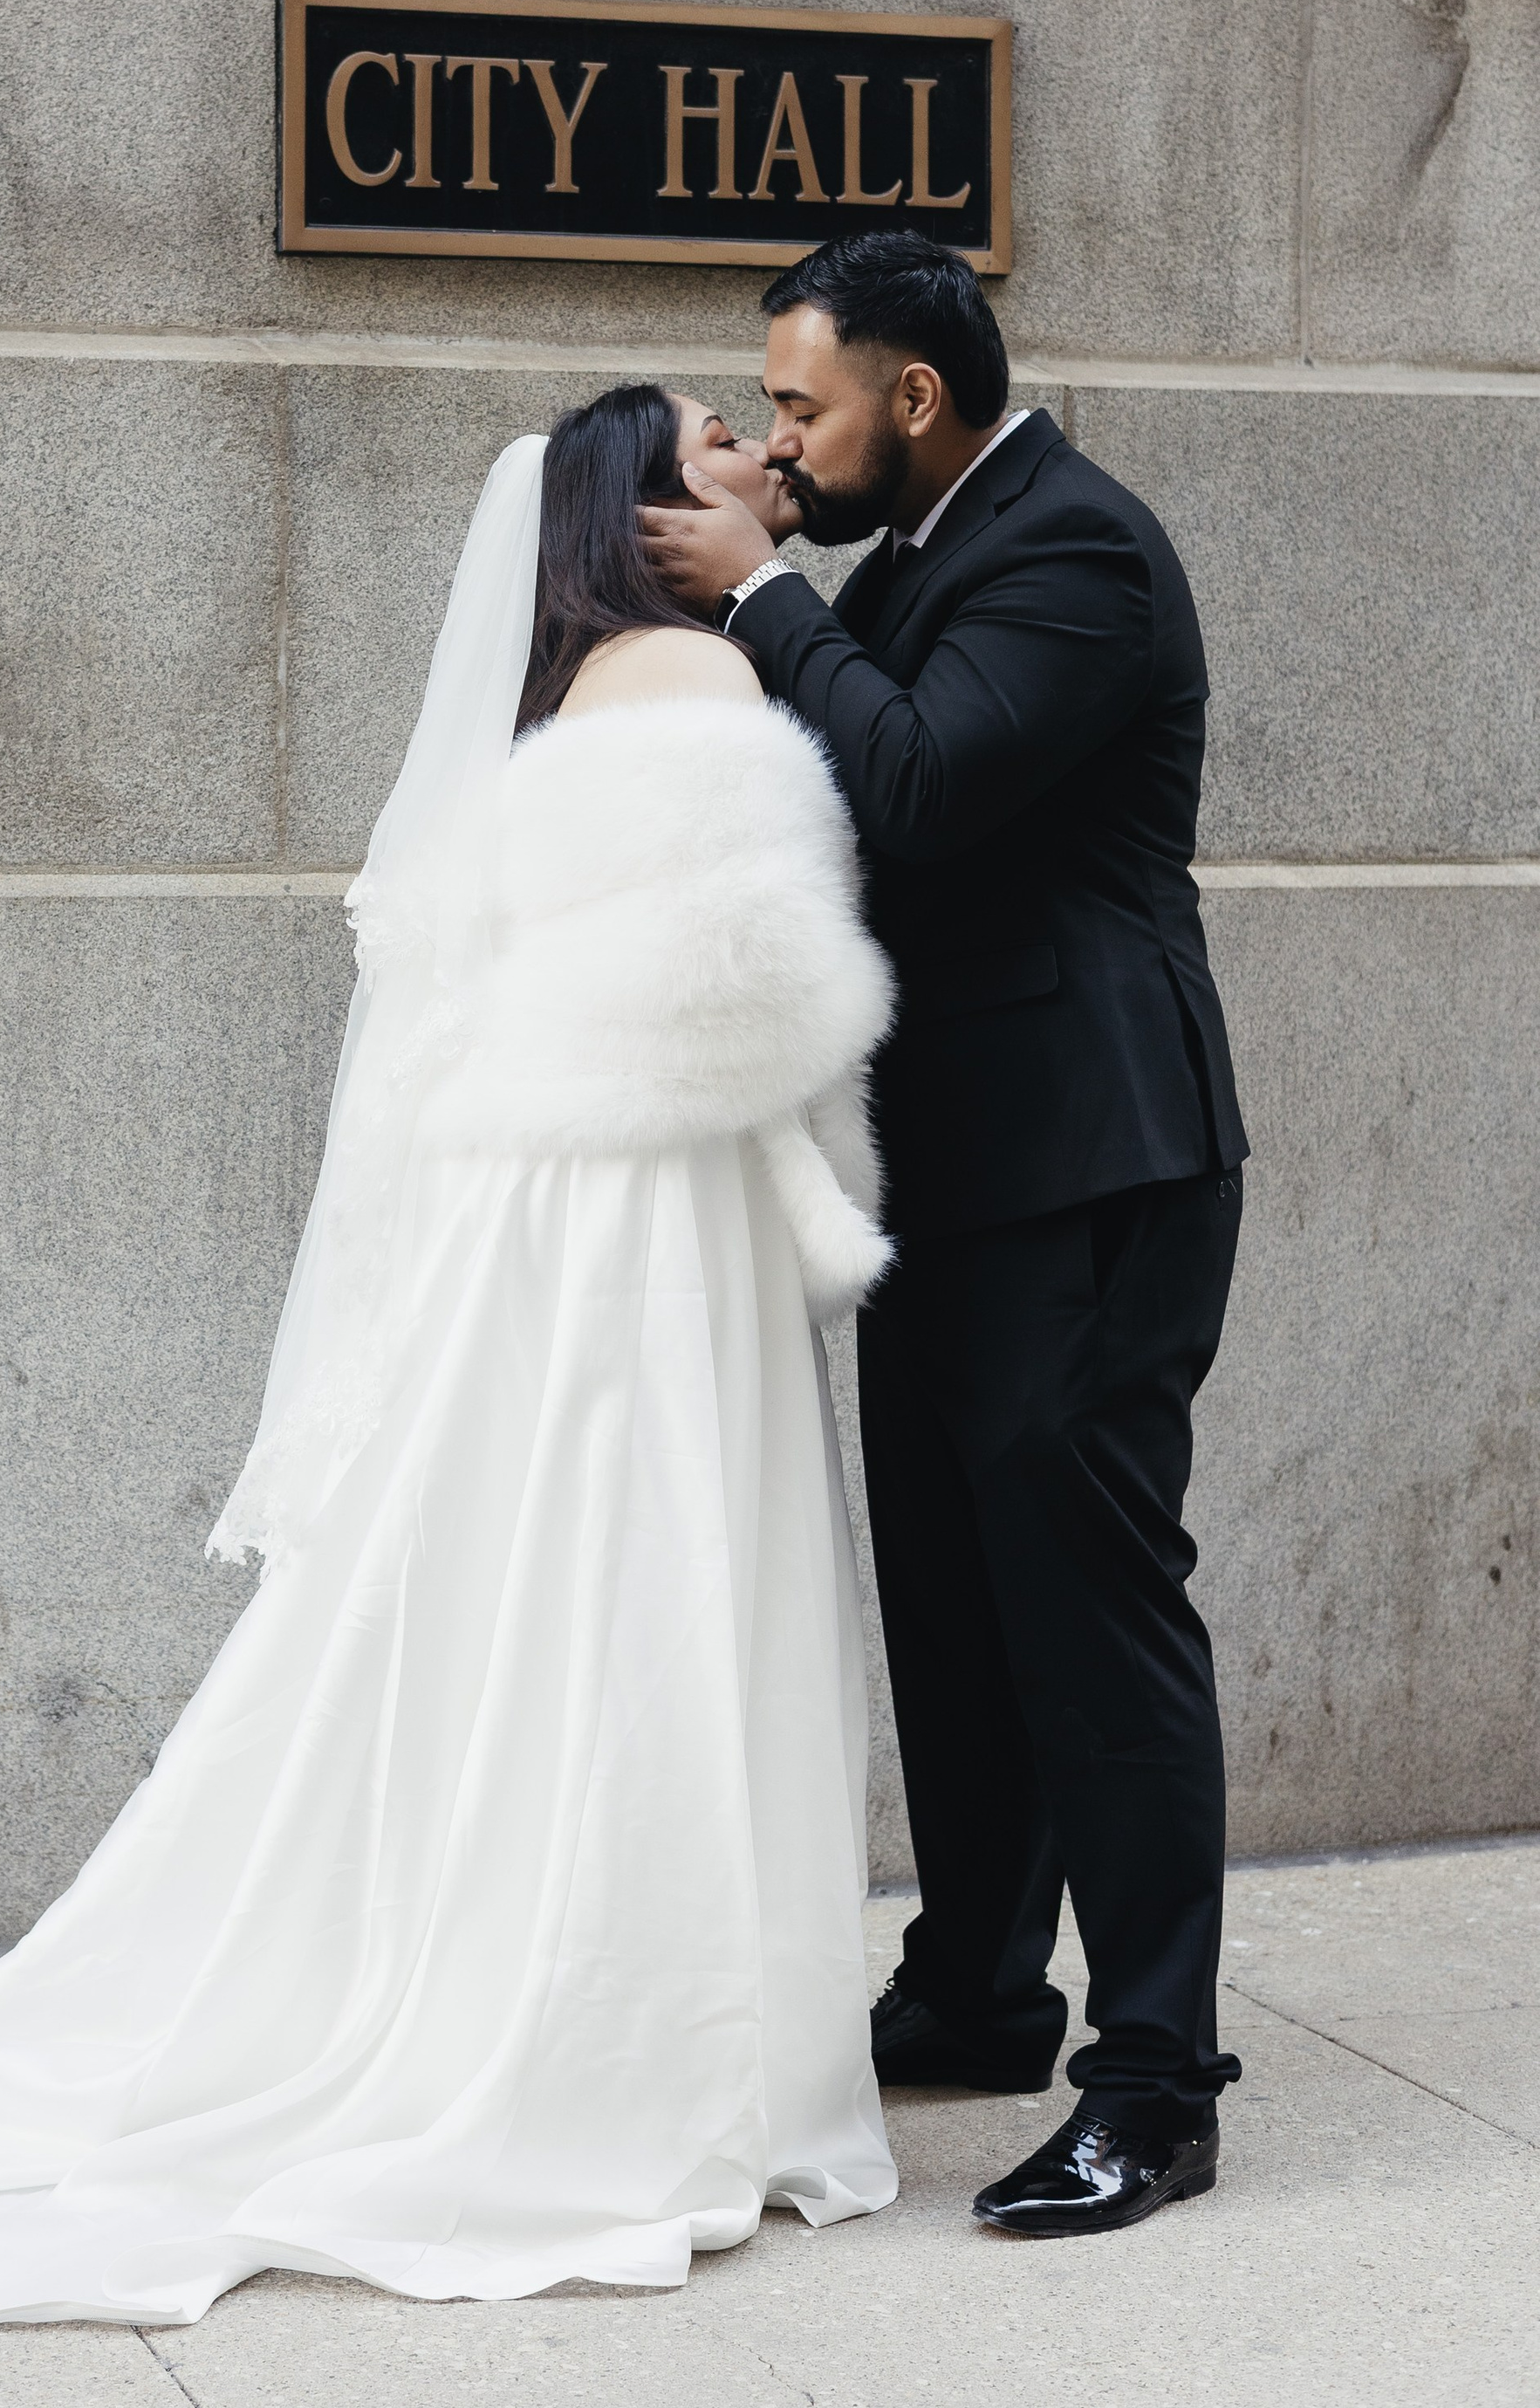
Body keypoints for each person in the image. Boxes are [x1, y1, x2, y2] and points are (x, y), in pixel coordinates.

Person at [0, 386, 900, 2334]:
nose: (757, 450)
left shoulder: (559, 697)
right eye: (719, 436)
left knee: (554, 1590)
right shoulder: (695, 679)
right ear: (645, 510)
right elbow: (743, 989)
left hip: (551, 1208)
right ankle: (628, 2036)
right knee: (642, 1586)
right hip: (641, 1216)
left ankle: (553, 1972)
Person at [643, 229, 1248, 2240]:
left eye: (800, 403)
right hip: (947, 1179)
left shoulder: (1072, 551)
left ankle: (1153, 2084)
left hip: (1088, 1167)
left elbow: (907, 781)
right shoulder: (914, 560)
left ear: (913, 398)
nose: (784, 439)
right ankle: (978, 1987)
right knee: (960, 1612)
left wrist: (758, 589)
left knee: (1089, 1620)